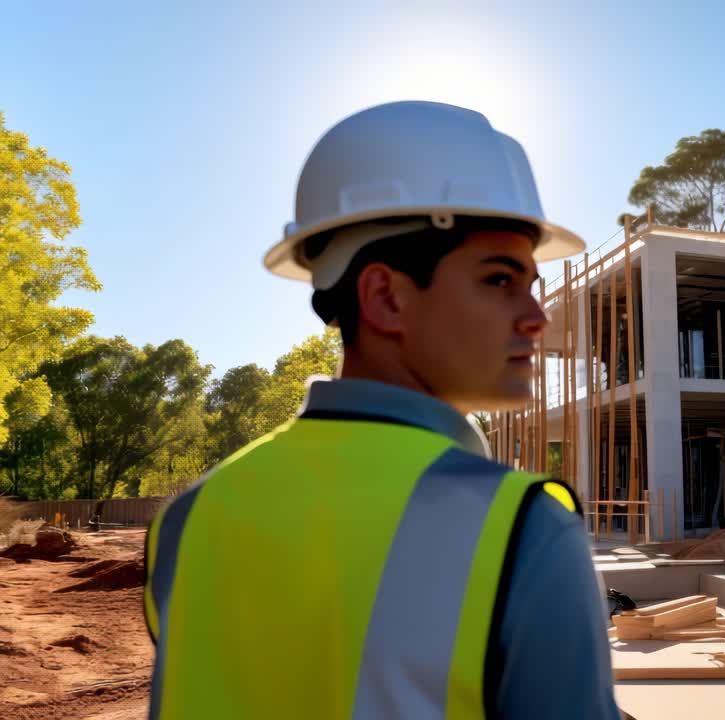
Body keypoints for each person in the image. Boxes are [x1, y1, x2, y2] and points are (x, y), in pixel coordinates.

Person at [144, 101, 619, 719]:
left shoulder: (191, 515)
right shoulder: (522, 530)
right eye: (500, 280)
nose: (537, 316)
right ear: (385, 297)